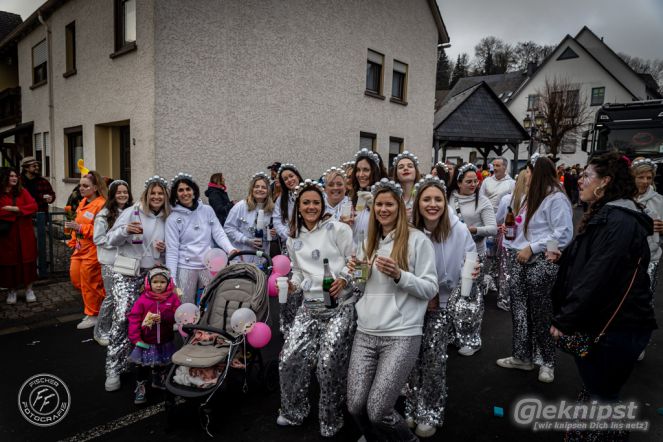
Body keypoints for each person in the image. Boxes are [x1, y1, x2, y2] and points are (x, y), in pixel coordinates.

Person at [551, 152, 656, 441]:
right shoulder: (608, 215)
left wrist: (565, 319)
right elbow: (592, 262)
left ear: (605, 182)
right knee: (598, 391)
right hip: (609, 324)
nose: (580, 180)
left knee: (604, 396)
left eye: (587, 176)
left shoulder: (618, 221)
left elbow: (598, 274)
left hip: (617, 328)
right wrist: (564, 259)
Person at [346, 178, 438, 442]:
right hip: (366, 331)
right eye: (379, 205)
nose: (383, 209)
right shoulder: (369, 241)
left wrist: (400, 275)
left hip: (401, 333)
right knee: (355, 406)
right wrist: (356, 272)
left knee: (378, 410)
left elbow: (430, 288)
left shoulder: (418, 240)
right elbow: (361, 286)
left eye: (389, 204)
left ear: (399, 207)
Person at [277, 180, 355, 437]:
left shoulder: (339, 229)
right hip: (309, 307)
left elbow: (356, 262)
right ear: (298, 208)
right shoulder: (293, 238)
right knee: (288, 358)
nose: (311, 207)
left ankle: (332, 418)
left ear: (322, 205)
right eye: (306, 203)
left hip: (339, 306)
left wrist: (344, 279)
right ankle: (293, 411)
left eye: (315, 202)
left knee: (328, 363)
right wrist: (292, 284)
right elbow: (299, 272)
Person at [405, 175, 477, 438]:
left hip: (442, 305)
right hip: (413, 304)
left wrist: (473, 270)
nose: (432, 204)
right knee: (411, 359)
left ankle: (430, 411)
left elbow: (471, 255)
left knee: (434, 360)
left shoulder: (458, 229)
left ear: (445, 202)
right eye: (427, 199)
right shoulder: (409, 231)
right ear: (418, 203)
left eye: (438, 199)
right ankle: (413, 405)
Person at [497, 154, 573, 383]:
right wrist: (510, 232)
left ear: (537, 173)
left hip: (541, 261)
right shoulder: (530, 196)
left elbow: (563, 234)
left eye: (528, 172)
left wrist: (533, 247)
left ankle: (547, 361)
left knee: (541, 312)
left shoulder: (556, 198)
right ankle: (522, 356)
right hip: (518, 257)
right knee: (519, 311)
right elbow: (526, 227)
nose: (525, 176)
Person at [105, 176, 170, 392]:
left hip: (151, 275)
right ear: (146, 194)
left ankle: (145, 363)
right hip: (126, 272)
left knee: (149, 320)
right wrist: (125, 231)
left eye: (160, 194)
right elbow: (110, 239)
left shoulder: (167, 218)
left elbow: (170, 248)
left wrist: (164, 249)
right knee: (123, 316)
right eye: (153, 193)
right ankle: (113, 367)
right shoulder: (131, 212)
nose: (156, 197)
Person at [446, 163, 496, 356]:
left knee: (469, 297)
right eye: (469, 181)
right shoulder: (449, 197)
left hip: (474, 254)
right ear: (458, 183)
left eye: (476, 181)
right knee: (451, 296)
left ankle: (471, 339)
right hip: (452, 254)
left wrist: (472, 230)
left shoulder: (482, 201)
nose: (474, 184)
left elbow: (492, 228)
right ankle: (452, 334)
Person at [165, 173, 237, 304]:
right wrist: (172, 279)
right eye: (180, 190)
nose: (185, 193)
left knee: (209, 304)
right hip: (185, 267)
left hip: (207, 266)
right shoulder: (172, 219)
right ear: (175, 194)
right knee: (185, 305)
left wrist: (230, 249)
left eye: (188, 189)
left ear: (194, 191)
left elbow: (218, 233)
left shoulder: (207, 210)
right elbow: (172, 251)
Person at [127, 266, 181, 404]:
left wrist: (164, 317)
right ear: (148, 283)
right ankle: (141, 387)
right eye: (155, 282)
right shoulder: (142, 300)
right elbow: (134, 319)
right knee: (143, 367)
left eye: (162, 282)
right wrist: (135, 338)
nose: (158, 285)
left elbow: (178, 315)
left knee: (161, 363)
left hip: (165, 339)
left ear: (169, 283)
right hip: (146, 341)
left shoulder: (173, 298)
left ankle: (157, 380)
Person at [65, 171, 108, 330]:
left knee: (91, 282)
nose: (81, 188)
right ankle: (99, 306)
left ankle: (93, 314)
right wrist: (73, 240)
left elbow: (102, 230)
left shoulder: (102, 204)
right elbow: (77, 223)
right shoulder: (83, 201)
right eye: (80, 185)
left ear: (95, 188)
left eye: (85, 186)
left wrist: (80, 228)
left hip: (92, 249)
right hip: (79, 248)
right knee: (76, 279)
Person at [93, 180, 133, 346]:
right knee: (111, 296)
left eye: (125, 192)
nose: (123, 195)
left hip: (127, 261)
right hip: (110, 262)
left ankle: (118, 329)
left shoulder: (132, 212)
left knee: (125, 297)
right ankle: (100, 331)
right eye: (119, 192)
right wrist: (117, 240)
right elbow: (98, 239)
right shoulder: (104, 214)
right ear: (112, 195)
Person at [1, 167, 38, 304]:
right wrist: (21, 212)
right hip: (7, 234)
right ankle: (12, 290)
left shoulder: (23, 191)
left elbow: (33, 206)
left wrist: (15, 209)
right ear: (4, 177)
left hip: (25, 232)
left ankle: (29, 289)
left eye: (16, 176)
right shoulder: (1, 194)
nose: (14, 178)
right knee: (10, 262)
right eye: (11, 176)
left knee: (28, 260)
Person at [494, 170, 529, 311]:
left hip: (509, 241)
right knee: (521, 272)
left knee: (506, 272)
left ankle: (504, 299)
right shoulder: (536, 200)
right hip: (527, 244)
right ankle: (519, 299)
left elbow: (498, 219)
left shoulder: (507, 199)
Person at [224, 172, 274, 261]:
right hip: (242, 255)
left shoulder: (271, 210)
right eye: (257, 186)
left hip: (262, 257)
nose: (260, 189)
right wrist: (246, 240)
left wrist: (273, 234)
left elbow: (273, 233)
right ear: (252, 189)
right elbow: (228, 228)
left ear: (268, 191)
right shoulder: (241, 206)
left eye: (263, 187)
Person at [631, 158, 663, 294]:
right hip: (625, 257)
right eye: (640, 177)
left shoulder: (659, 200)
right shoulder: (621, 199)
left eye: (649, 178)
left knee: (646, 297)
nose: (645, 181)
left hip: (651, 258)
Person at [347, 148, 384, 241]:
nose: (360, 174)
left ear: (375, 172)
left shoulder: (385, 197)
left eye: (366, 170)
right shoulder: (356, 196)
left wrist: (374, 208)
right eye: (358, 170)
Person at [272, 164, 303, 244]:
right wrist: (288, 233)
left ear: (297, 176)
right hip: (290, 241)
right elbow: (277, 220)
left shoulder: (310, 192)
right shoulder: (281, 199)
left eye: (291, 176)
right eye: (285, 179)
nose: (289, 180)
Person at [392, 151, 421, 220]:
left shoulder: (423, 194)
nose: (405, 168)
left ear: (416, 172)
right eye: (401, 167)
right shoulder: (391, 196)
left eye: (410, 166)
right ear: (396, 174)